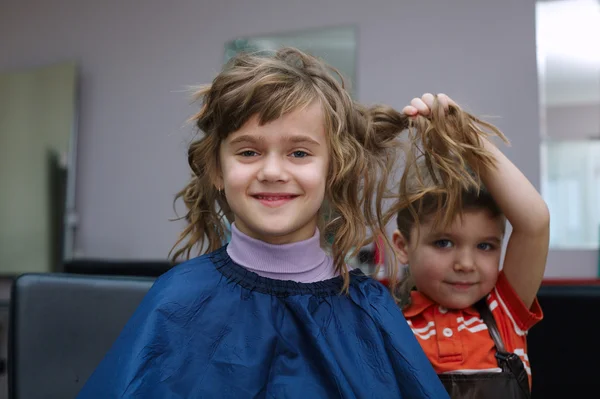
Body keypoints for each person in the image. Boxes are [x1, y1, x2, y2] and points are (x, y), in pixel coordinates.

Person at [76, 49, 449, 398]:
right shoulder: (178, 301)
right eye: (248, 152)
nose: (272, 171)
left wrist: (463, 137)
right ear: (217, 171)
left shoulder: (371, 309)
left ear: (333, 170)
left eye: (299, 153)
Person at [392, 93, 549, 398]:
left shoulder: (504, 312)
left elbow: (535, 222)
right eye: (444, 242)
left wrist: (466, 137)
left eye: (485, 247)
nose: (466, 263)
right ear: (402, 245)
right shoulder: (387, 321)